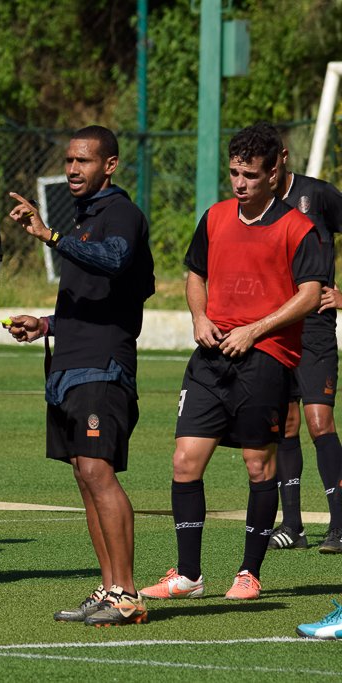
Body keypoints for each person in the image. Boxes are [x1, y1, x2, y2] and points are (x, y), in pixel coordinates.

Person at [139, 124, 327, 603]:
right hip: (210, 355)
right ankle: (187, 575)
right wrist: (200, 316)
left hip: (265, 357)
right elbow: (195, 274)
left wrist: (255, 329)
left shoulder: (297, 227)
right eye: (233, 173)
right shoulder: (216, 217)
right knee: (185, 461)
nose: (238, 183)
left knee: (258, 465)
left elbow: (310, 295)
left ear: (274, 171)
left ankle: (248, 572)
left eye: (249, 174)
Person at [6, 125, 154, 626]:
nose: (72, 169)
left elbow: (116, 263)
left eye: (84, 161)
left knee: (97, 472)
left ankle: (129, 592)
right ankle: (110, 588)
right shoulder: (85, 219)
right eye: (69, 160)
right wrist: (45, 324)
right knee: (84, 477)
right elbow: (94, 295)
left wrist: (50, 235)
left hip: (103, 366)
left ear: (108, 165)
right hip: (67, 365)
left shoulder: (122, 215)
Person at [255, 124, 342, 553]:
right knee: (283, 424)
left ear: (282, 160)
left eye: (265, 168)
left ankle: (340, 525)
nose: (259, 178)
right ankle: (293, 526)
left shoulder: (319, 195)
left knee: (318, 420)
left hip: (315, 328)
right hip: (274, 327)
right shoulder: (255, 207)